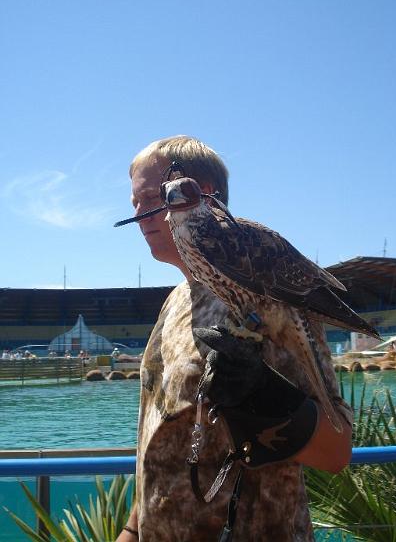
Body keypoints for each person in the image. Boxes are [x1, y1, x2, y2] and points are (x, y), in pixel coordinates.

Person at [116, 135, 353, 542]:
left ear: (202, 192)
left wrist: (263, 397)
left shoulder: (267, 291)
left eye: (151, 197)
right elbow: (164, 442)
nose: (142, 215)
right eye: (135, 204)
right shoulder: (173, 303)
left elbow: (336, 451)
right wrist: (131, 530)